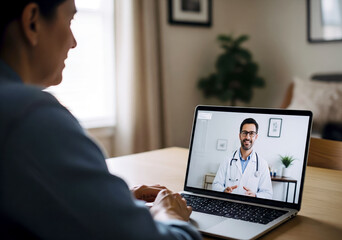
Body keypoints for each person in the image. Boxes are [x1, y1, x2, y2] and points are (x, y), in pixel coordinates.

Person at [0, 1, 201, 239]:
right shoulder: (31, 115)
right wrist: (170, 216)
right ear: (32, 21)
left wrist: (111, 198)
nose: (73, 42)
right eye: (70, 21)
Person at [212, 118, 273, 199]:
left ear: (256, 137)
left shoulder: (262, 164)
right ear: (240, 136)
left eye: (251, 133)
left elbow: (268, 194)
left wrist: (256, 195)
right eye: (244, 133)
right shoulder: (227, 160)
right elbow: (216, 185)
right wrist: (223, 191)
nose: (247, 137)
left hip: (250, 206)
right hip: (228, 203)